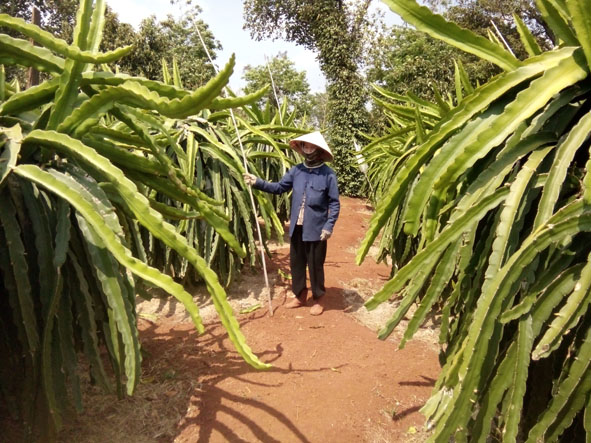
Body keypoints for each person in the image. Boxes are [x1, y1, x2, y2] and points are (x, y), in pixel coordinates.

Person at [243, 131, 340, 316]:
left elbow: (334, 203)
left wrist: (329, 226)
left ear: (319, 150)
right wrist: (258, 182)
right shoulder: (297, 171)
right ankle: (300, 295)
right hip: (297, 226)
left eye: (312, 147)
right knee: (297, 263)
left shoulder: (328, 175)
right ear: (302, 148)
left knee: (315, 265)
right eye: (305, 146)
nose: (308, 150)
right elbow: (279, 187)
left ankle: (318, 299)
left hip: (317, 228)